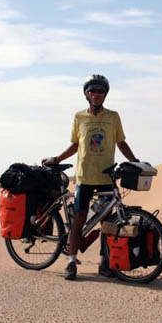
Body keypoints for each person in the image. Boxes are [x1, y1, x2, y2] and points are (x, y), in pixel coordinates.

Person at [43, 74, 138, 280]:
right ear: (86, 94)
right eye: (92, 91)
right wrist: (57, 158)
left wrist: (135, 161)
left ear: (105, 94)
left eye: (100, 91)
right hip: (84, 177)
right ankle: (71, 262)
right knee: (79, 221)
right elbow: (76, 144)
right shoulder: (79, 117)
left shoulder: (113, 117)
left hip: (106, 178)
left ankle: (105, 264)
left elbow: (121, 143)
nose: (96, 94)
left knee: (106, 223)